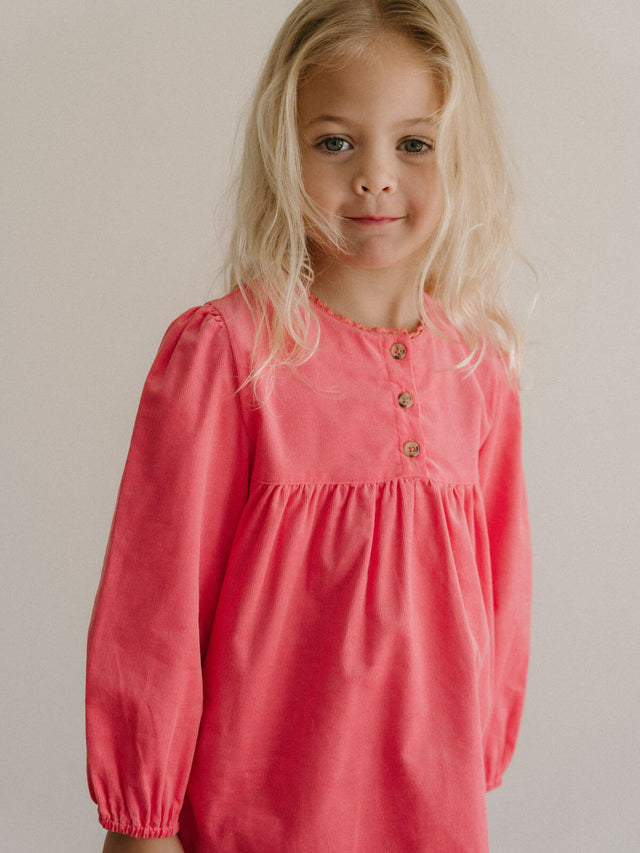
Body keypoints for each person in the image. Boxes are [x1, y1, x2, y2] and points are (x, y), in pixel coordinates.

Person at [86, 1, 532, 850]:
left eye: (414, 143)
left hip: (427, 813)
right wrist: (141, 818)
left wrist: (477, 745)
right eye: (335, 142)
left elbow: (500, 582)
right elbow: (156, 600)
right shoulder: (230, 352)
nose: (374, 175)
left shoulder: (478, 366)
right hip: (254, 814)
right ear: (283, 151)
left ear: (458, 155)